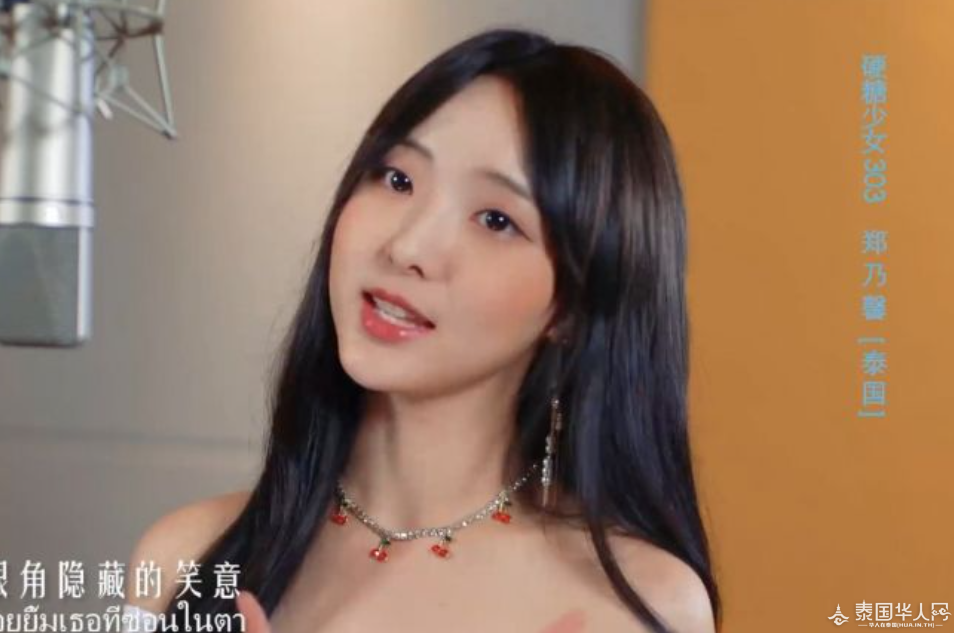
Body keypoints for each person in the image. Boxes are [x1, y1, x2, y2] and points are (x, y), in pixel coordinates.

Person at [124, 28, 721, 633]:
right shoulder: (184, 559)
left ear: (572, 307)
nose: (408, 247)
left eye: (496, 220)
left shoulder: (636, 603)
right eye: (397, 180)